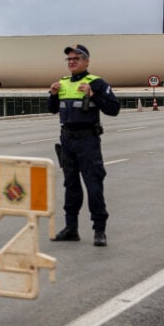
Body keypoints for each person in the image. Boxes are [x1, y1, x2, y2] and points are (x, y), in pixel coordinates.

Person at [48, 44, 120, 247]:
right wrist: (53, 94)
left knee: (93, 184)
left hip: (88, 139)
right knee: (70, 185)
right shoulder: (62, 83)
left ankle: (99, 230)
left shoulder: (96, 83)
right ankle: (71, 228)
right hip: (67, 139)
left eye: (76, 58)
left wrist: (94, 95)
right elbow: (52, 110)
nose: (72, 62)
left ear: (87, 61)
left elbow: (114, 109)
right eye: (69, 59)